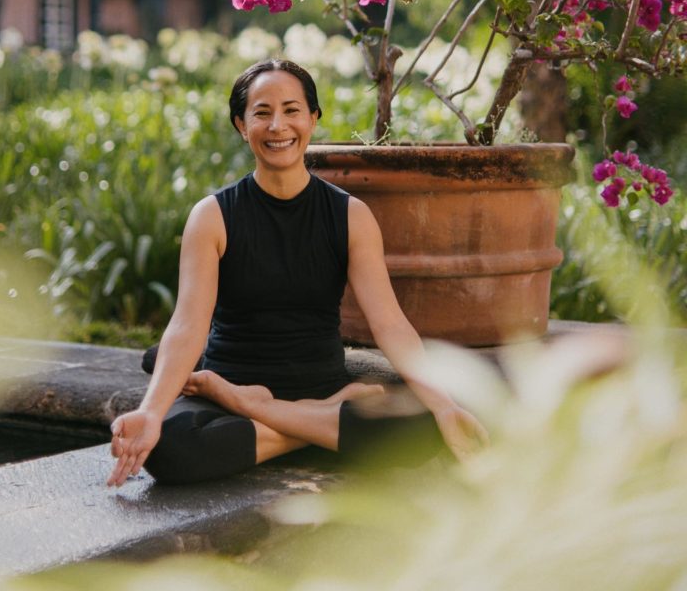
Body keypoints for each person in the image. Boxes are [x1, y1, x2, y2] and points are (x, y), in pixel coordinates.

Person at [107, 60, 487, 487]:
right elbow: (187, 325)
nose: (278, 126)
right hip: (234, 385)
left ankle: (267, 411)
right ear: (240, 125)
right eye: (262, 113)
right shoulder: (212, 216)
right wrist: (152, 412)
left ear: (313, 118)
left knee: (428, 424)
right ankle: (319, 429)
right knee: (171, 448)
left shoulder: (350, 217)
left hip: (315, 384)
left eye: (291, 110)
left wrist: (444, 405)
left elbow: (390, 323)